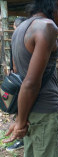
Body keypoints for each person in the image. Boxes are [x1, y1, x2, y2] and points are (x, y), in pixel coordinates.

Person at [3, 1, 58, 157]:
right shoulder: (47, 27)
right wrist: (20, 123)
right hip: (45, 111)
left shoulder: (20, 29)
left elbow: (18, 75)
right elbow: (30, 83)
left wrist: (21, 117)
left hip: (27, 109)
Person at [6, 16, 27, 152]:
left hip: (20, 80)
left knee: (20, 109)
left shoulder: (17, 38)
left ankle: (20, 139)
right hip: (23, 79)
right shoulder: (27, 37)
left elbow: (15, 62)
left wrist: (14, 77)